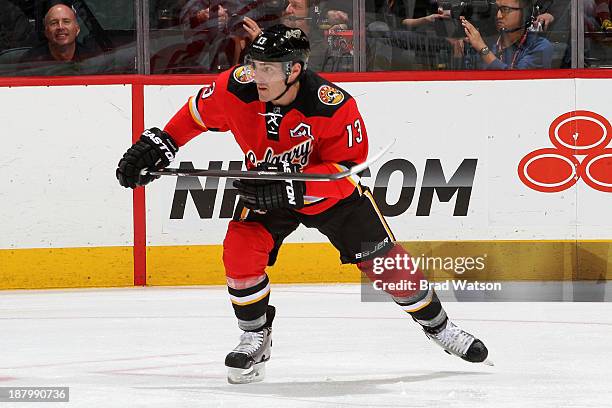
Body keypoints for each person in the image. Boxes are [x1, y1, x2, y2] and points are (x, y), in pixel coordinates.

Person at [115, 24, 489, 384]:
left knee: (390, 268)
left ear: (293, 70)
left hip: (328, 196)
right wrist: (160, 144)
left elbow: (345, 174)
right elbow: (195, 114)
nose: (256, 75)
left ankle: (439, 328)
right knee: (240, 251)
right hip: (267, 188)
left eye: (267, 69)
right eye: (253, 65)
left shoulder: (333, 106)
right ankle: (255, 338)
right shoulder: (236, 87)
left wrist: (296, 189)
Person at [462, 0, 553, 69]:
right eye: (496, 9)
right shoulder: (487, 42)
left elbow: (516, 83)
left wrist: (483, 50)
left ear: (526, 13)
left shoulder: (540, 46)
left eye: (506, 9)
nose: (498, 16)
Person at [20, 3, 89, 64]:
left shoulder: (91, 57)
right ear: (46, 32)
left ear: (77, 29)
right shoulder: (30, 61)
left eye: (66, 21)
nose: (60, 27)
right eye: (54, 23)